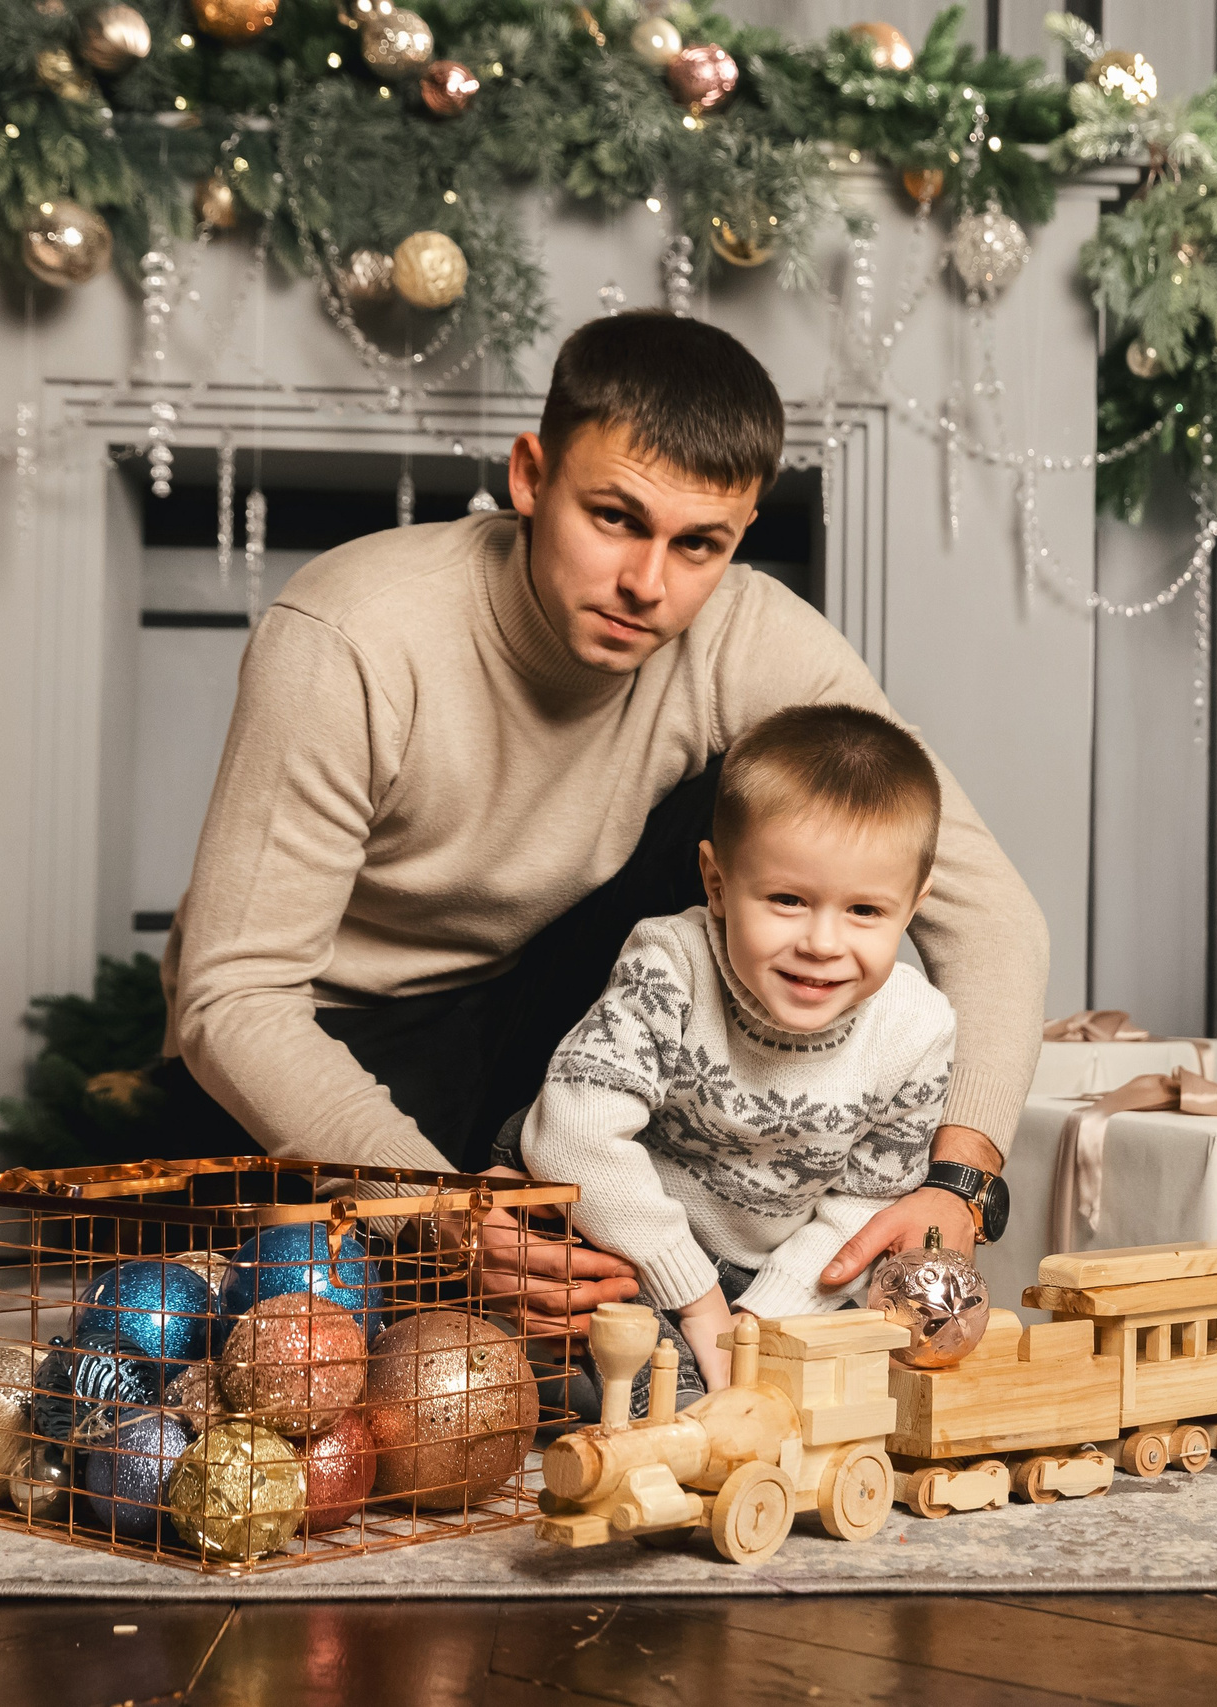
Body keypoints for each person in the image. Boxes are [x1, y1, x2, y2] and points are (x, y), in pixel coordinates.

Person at [157, 310, 1045, 1339]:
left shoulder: (743, 633)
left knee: (790, 811)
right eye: (615, 518)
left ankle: (693, 1232)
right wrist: (441, 1212)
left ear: (741, 532)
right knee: (302, 1346)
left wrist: (956, 1182)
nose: (649, 585)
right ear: (530, 476)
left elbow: (989, 915)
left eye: (699, 544)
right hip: (335, 1037)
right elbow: (233, 998)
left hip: (554, 1024)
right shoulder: (352, 635)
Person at [504, 703, 954, 1413]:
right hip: (630, 1231)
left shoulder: (918, 1025)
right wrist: (695, 1296)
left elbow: (865, 1201)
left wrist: (760, 1320)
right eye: (787, 899)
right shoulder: (672, 964)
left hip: (778, 1263)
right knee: (642, 1395)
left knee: (845, 1391)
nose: (822, 942)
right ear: (717, 883)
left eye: (866, 912)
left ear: (912, 906)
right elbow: (573, 1136)